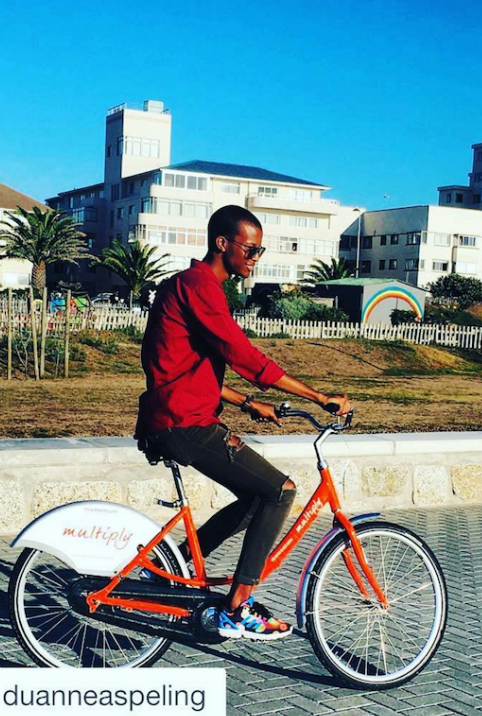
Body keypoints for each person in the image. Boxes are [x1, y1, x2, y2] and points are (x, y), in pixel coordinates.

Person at [135, 205, 351, 641]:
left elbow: (182, 368)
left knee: (256, 498)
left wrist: (247, 403)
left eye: (259, 250)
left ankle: (169, 569)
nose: (255, 258)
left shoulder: (189, 286)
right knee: (280, 491)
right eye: (250, 250)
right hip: (183, 422)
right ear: (222, 244)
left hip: (175, 413)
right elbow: (243, 356)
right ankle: (237, 606)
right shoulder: (200, 286)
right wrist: (318, 396)